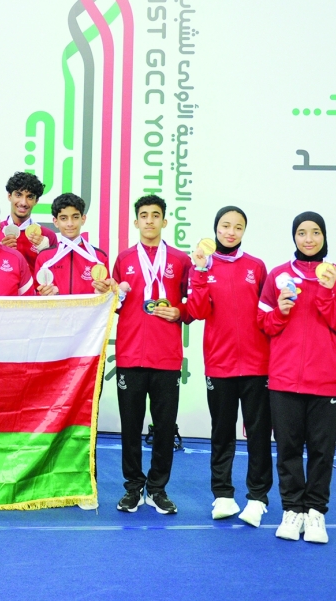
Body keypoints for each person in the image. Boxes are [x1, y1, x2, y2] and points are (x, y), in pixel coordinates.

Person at [258, 212, 336, 544]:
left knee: (321, 450)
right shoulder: (277, 276)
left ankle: (315, 513)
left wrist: (328, 294)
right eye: (302, 233)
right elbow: (265, 325)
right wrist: (281, 311)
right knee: (287, 449)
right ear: (294, 237)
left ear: (324, 236)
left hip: (326, 381)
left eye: (315, 232)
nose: (309, 239)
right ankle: (292, 510)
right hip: (285, 380)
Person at [187, 206, 272, 527]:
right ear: (216, 228)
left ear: (244, 231)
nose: (231, 232)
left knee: (258, 435)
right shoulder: (204, 267)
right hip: (219, 365)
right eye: (225, 226)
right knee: (222, 433)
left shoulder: (256, 267)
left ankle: (258, 498)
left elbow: (266, 313)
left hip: (256, 365)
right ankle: (222, 495)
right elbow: (195, 310)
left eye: (238, 227)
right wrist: (198, 271)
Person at [111, 194, 192, 515]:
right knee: (130, 428)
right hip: (130, 355)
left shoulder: (180, 260)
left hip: (166, 357)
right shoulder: (123, 259)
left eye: (155, 215)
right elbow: (115, 303)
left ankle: (157, 488)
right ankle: (133, 488)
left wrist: (180, 311)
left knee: (164, 426)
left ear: (164, 221)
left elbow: (193, 301)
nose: (149, 220)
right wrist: (111, 293)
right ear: (135, 222)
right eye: (143, 215)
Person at [34, 193, 112, 296]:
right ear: (55, 222)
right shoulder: (45, 257)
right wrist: (43, 294)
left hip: (89, 312)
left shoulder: (98, 257)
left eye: (75, 217)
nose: (70, 223)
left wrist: (105, 292)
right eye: (63, 218)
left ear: (83, 219)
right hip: (55, 312)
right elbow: (36, 294)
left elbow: (107, 294)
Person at [0, 171, 57, 269]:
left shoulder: (47, 235)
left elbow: (56, 274)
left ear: (36, 201)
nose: (23, 202)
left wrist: (46, 253)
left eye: (30, 197)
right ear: (9, 196)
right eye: (18, 195)